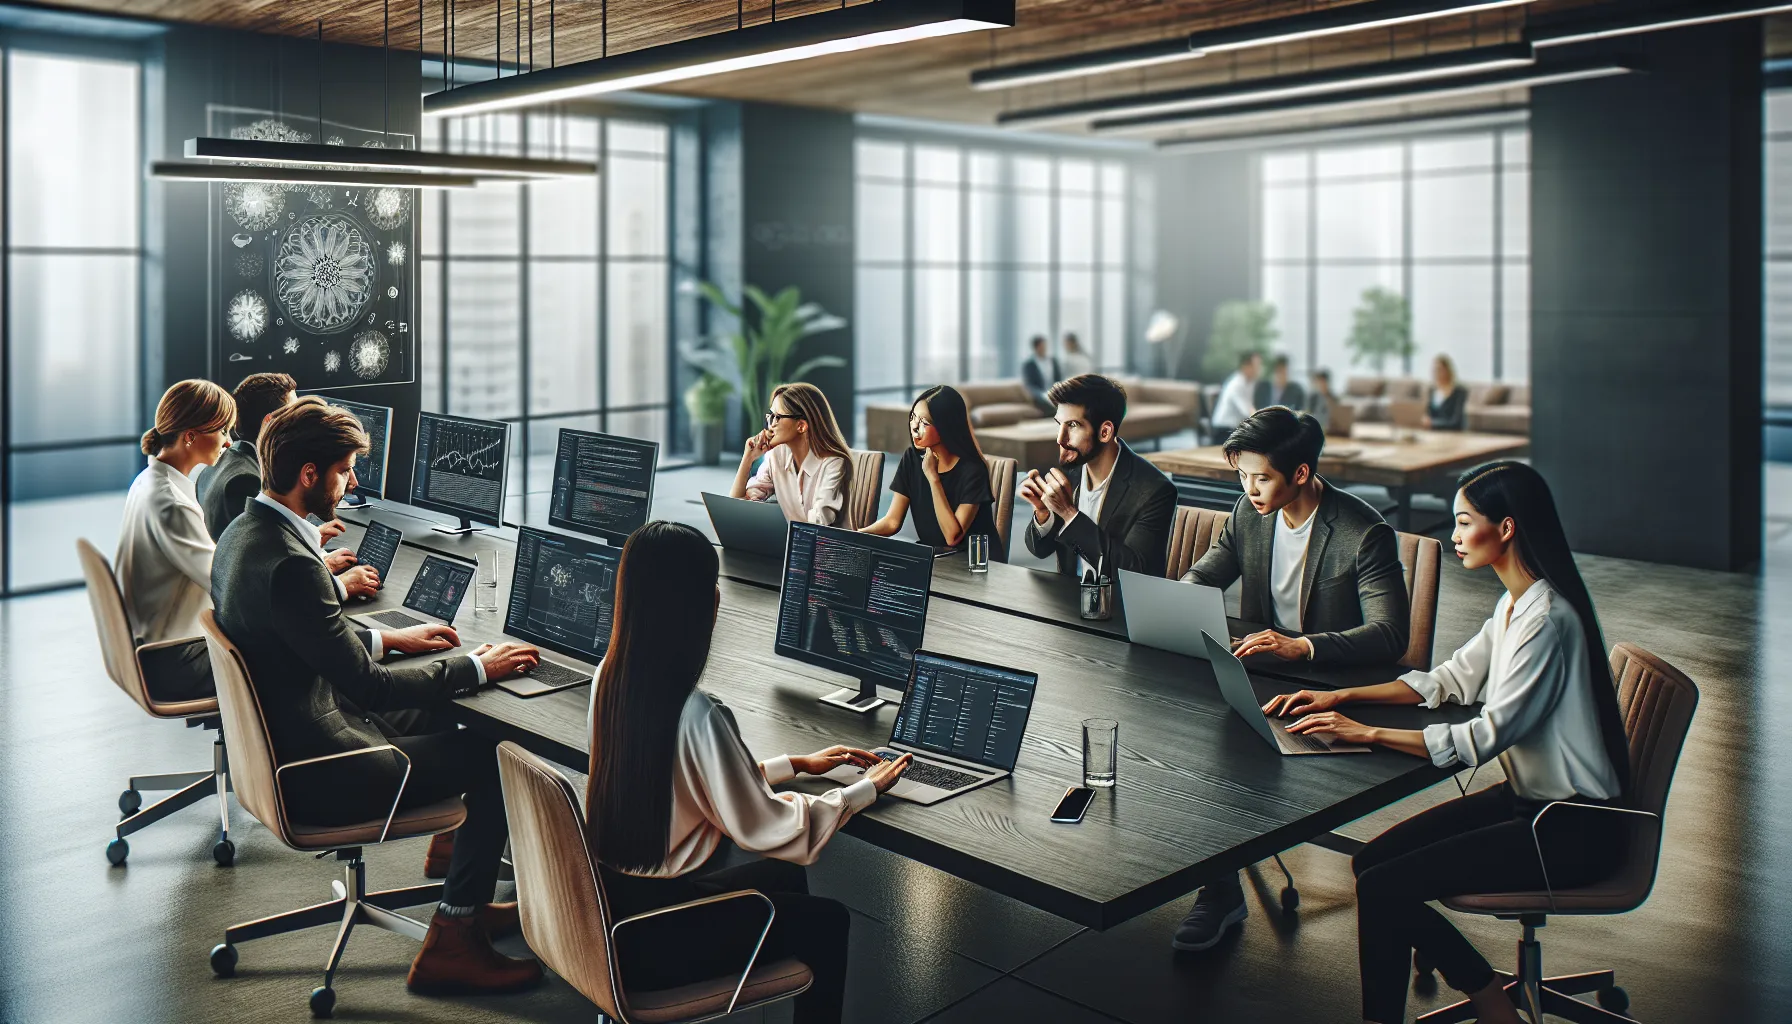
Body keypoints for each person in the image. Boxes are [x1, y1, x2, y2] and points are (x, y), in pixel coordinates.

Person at [1264, 461, 1631, 1024]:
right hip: (1529, 802)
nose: (1453, 535)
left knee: (1384, 887)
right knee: (1372, 864)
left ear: (1505, 528)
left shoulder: (1546, 621)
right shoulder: (1516, 604)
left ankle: (1486, 998)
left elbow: (1484, 737)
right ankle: (1480, 995)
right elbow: (1450, 680)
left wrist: (1366, 733)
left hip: (1572, 828)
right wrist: (1340, 697)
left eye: (1463, 522)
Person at [211, 396, 546, 996]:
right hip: (325, 764)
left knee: (455, 714)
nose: (353, 483)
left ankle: (458, 875)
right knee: (496, 755)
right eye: (344, 471)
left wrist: (387, 637)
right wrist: (476, 665)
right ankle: (454, 939)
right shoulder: (293, 564)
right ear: (308, 474)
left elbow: (293, 637)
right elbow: (372, 688)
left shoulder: (244, 533)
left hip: (286, 741)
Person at [586, 520, 911, 1024]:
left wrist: (795, 765)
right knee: (828, 922)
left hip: (613, 912)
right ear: (703, 605)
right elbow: (766, 825)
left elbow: (687, 783)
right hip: (658, 938)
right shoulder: (696, 711)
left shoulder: (609, 679)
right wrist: (862, 791)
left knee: (784, 873)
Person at [1169, 406, 1411, 952]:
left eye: (1260, 478)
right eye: (1242, 476)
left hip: (1327, 687)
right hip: (1260, 673)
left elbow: (1391, 634)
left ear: (1301, 473)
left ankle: (1220, 890)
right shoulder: (1249, 511)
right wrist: (1180, 595)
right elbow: (1209, 570)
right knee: (1171, 720)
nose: (1248, 489)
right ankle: (1207, 863)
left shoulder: (1363, 531)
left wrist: (1302, 645)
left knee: (1215, 752)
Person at [115, 380, 236, 703]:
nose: (228, 442)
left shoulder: (148, 481)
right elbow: (226, 583)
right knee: (291, 655)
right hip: (175, 662)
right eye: (223, 430)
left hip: (152, 649)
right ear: (190, 436)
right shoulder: (172, 502)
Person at [198, 373, 373, 592]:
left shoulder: (217, 464)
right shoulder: (246, 480)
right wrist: (329, 578)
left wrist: (307, 538)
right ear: (270, 422)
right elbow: (263, 565)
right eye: (296, 414)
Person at [1020, 374, 1176, 579]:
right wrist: (1043, 513)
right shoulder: (1070, 470)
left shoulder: (1154, 490)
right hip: (1068, 595)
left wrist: (1068, 513)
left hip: (1116, 598)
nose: (1060, 438)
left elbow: (1134, 572)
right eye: (1059, 424)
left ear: (1105, 432)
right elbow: (1040, 550)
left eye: (1073, 425)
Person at [860, 385, 1003, 559]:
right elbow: (892, 522)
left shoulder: (973, 470)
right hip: (935, 557)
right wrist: (856, 535)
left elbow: (952, 537)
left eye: (924, 423)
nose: (914, 427)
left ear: (946, 426)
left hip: (975, 563)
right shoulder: (912, 458)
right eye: (913, 417)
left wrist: (933, 477)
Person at [730, 382, 852, 527]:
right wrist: (748, 458)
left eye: (777, 417)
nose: (770, 424)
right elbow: (738, 507)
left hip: (822, 541)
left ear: (801, 426)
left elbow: (819, 523)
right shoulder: (777, 455)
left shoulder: (833, 464)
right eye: (770, 416)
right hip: (792, 539)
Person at [1210, 351, 1260, 443]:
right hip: (1224, 430)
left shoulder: (1250, 383)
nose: (1258, 370)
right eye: (1255, 366)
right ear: (1245, 366)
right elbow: (1247, 411)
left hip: (1236, 430)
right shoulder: (1237, 384)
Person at [1424, 354, 1468, 431]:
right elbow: (1429, 414)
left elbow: (1456, 421)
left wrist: (1433, 423)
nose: (1436, 373)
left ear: (1447, 370)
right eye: (1434, 370)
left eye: (1439, 369)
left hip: (1453, 433)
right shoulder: (1432, 391)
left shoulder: (1459, 391)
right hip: (1434, 433)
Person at [1020, 334, 1061, 414]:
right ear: (1036, 348)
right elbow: (1030, 385)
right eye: (1042, 346)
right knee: (1048, 402)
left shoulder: (1053, 361)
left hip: (1054, 392)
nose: (1044, 348)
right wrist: (1042, 395)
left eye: (1045, 346)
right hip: (1040, 395)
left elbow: (1059, 379)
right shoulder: (1029, 364)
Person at [1305, 368, 1337, 434]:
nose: (1321, 384)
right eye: (1319, 382)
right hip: (1314, 428)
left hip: (1330, 430)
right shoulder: (1312, 398)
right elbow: (1306, 415)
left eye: (1323, 381)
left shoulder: (1333, 398)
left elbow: (1336, 417)